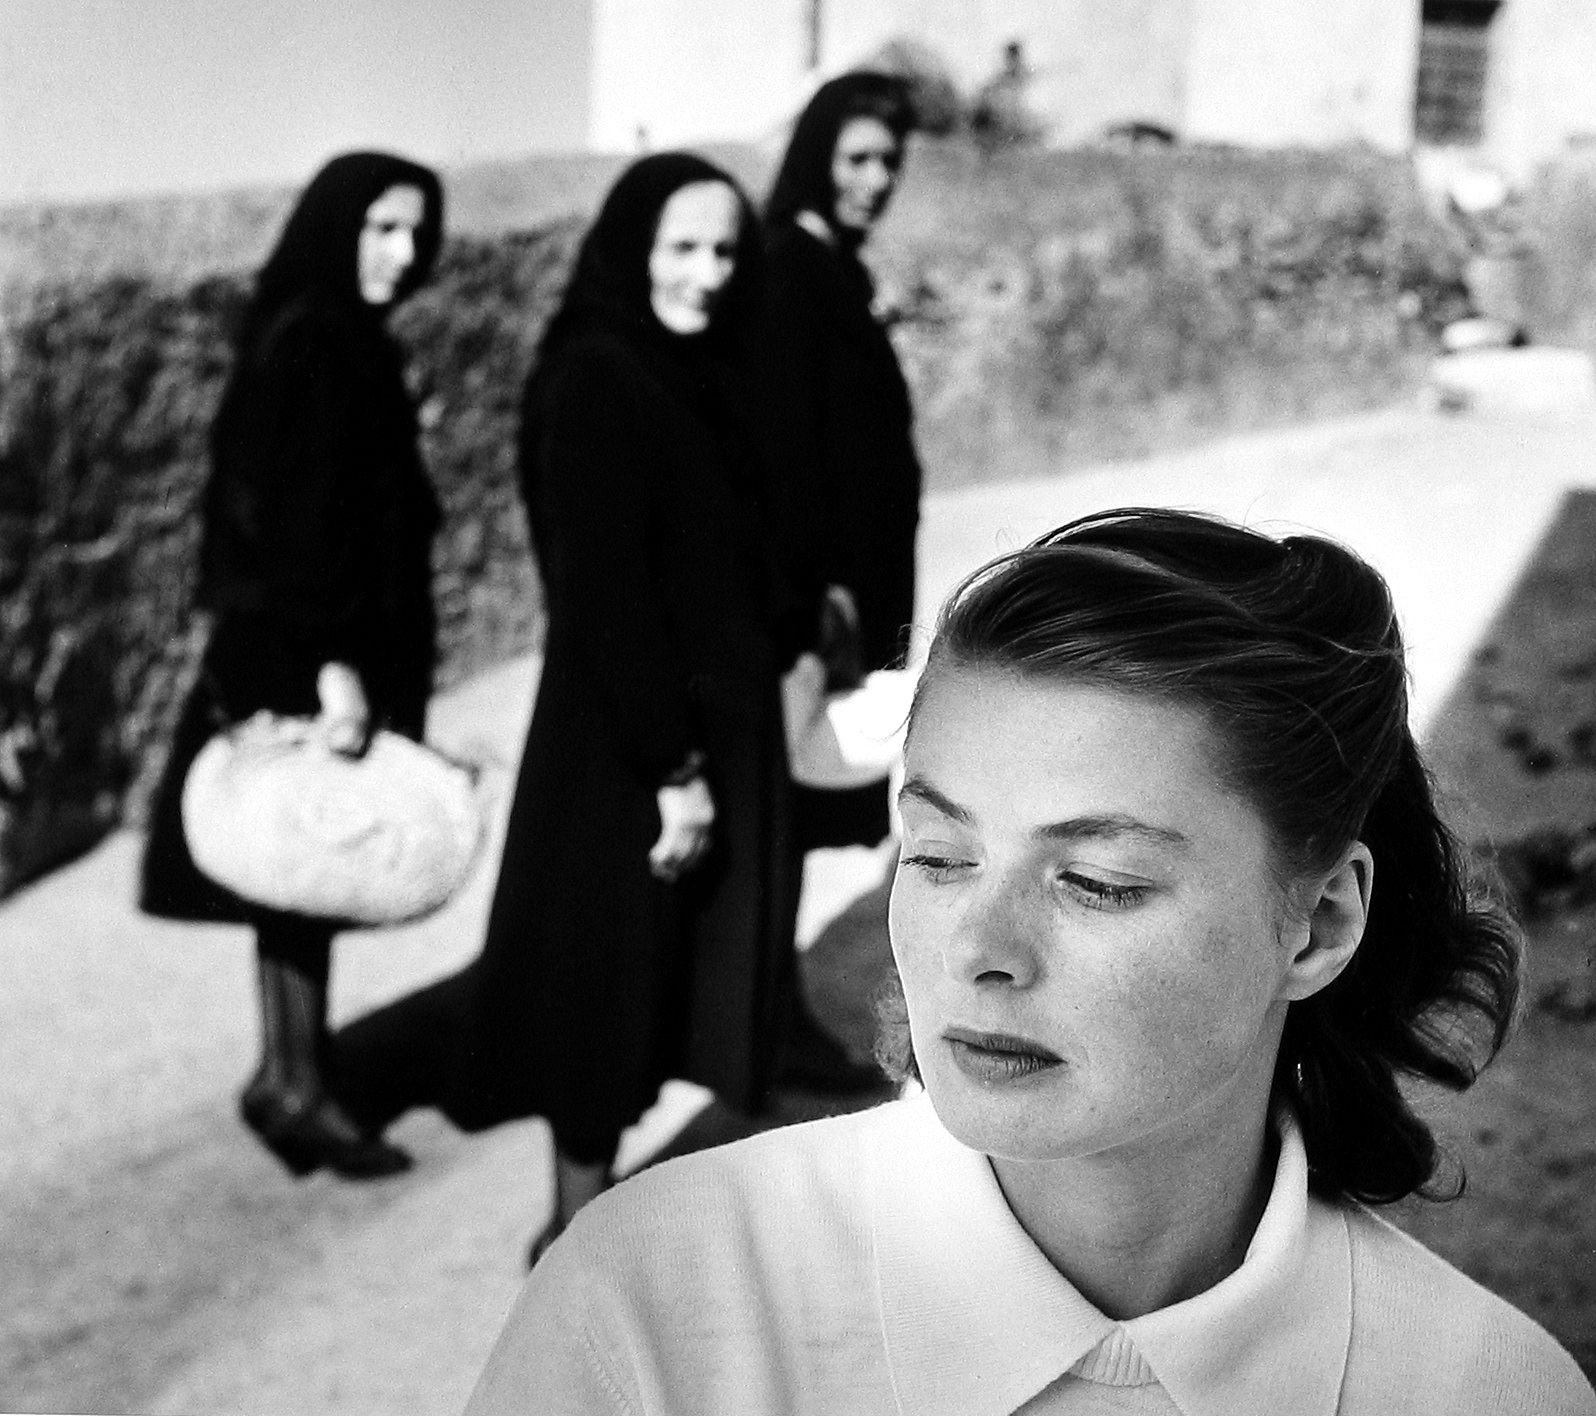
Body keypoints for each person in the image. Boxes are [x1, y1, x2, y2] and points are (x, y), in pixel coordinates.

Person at [464, 508, 1596, 1414]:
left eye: (1096, 880)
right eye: (941, 853)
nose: (978, 952)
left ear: (1320, 926)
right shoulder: (655, 1308)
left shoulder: (1489, 1389)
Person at [464, 153, 803, 1259]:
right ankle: (572, 1233)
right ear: (632, 250)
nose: (706, 275)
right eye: (681, 249)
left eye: (722, 251)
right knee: (600, 989)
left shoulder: (705, 369)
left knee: (659, 979)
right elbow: (603, 591)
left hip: (694, 725)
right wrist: (673, 771)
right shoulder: (597, 377)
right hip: (627, 740)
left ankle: (599, 1221)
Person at [140, 151, 444, 1179]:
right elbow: (294, 523)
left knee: (296, 871)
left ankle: (286, 1072)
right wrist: (336, 669)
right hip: (313, 654)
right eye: (381, 230)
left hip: (305, 645)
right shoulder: (321, 346)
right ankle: (300, 1090)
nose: (402, 256)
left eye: (415, 234)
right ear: (337, 229)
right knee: (311, 866)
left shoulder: (320, 333)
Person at [760, 69, 921, 852]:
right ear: (817, 156)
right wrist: (823, 590)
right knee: (788, 780)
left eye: (889, 161)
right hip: (824, 586)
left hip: (864, 570)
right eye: (856, 159)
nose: (877, 181)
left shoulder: (840, 267)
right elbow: (785, 444)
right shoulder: (788, 267)